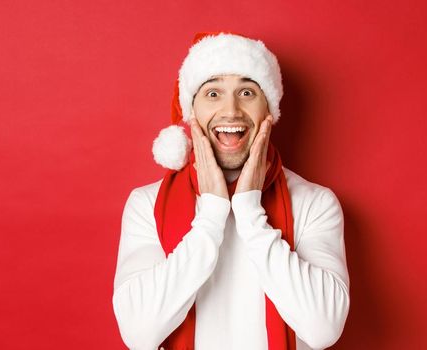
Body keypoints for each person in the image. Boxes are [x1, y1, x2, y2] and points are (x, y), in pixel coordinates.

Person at [112, 32, 350, 350]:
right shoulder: (146, 204)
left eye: (247, 92)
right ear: (191, 112)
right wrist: (211, 214)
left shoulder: (314, 203)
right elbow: (139, 333)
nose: (231, 110)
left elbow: (323, 329)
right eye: (213, 93)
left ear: (269, 110)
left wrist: (250, 211)